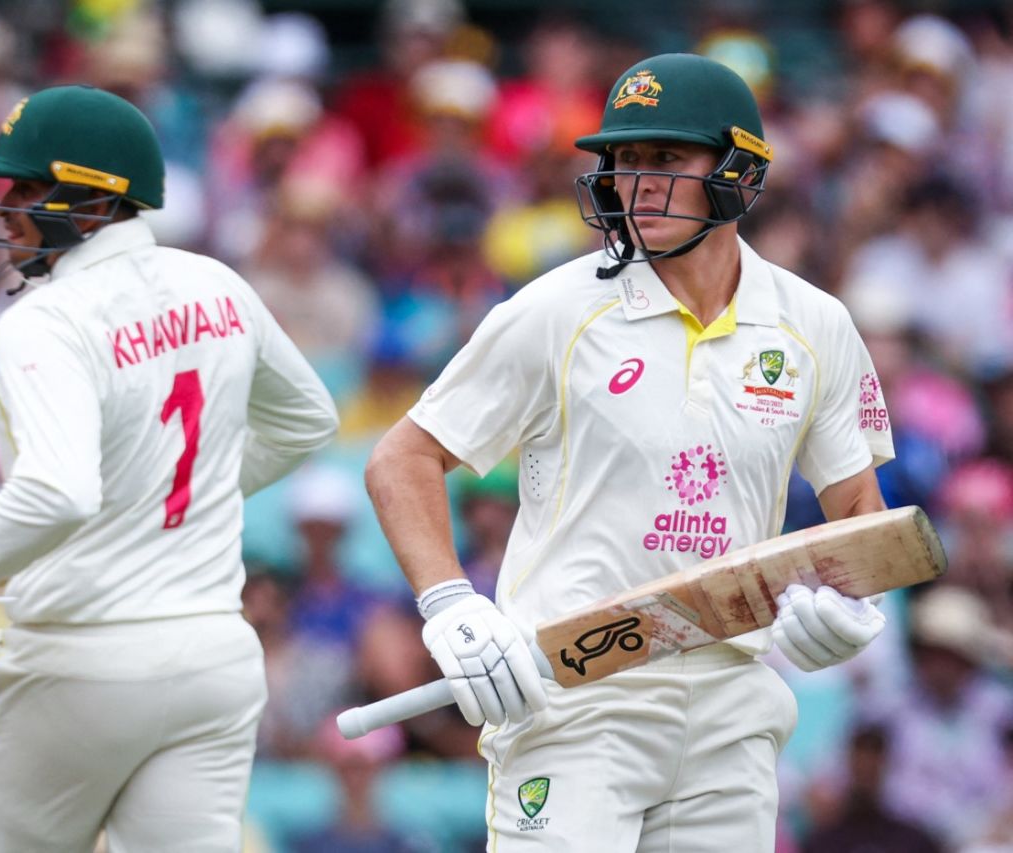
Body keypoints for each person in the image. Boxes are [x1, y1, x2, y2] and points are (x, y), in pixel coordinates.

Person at [364, 54, 895, 852]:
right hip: (577, 695)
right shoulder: (557, 309)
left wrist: (859, 604)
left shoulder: (812, 322)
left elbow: (859, 509)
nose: (638, 183)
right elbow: (402, 458)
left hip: (731, 700)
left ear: (740, 170)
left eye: (666, 160)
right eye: (626, 161)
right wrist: (452, 604)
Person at [0, 85, 339, 852]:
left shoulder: (45, 318)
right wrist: (160, 499)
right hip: (214, 660)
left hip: (80, 659)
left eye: (28, 188)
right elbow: (306, 421)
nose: (6, 208)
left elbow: (57, 492)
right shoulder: (216, 283)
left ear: (95, 204)